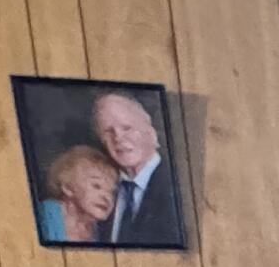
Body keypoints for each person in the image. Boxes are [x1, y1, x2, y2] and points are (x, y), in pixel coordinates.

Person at [91, 89, 181, 245]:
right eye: (108, 131)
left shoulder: (179, 183)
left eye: (127, 128)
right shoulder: (101, 190)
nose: (118, 137)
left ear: (150, 131)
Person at [37, 142, 123, 246]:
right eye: (96, 186)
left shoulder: (100, 232)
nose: (106, 197)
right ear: (68, 188)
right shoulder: (44, 216)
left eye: (111, 192)